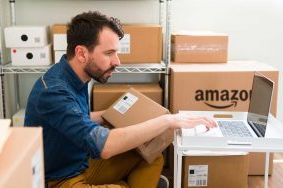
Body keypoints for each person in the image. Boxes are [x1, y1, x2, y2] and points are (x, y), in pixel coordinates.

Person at [24, 11, 217, 188]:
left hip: (81, 162)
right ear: (82, 53)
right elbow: (105, 146)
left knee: (150, 154)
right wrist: (167, 120)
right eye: (109, 53)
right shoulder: (54, 92)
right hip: (59, 179)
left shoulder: (75, 75)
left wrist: (116, 114)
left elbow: (76, 119)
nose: (117, 61)